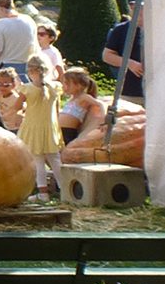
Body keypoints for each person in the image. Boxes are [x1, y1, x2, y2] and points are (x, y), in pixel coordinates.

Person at [13, 57, 65, 199]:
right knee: (55, 159)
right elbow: (57, 109)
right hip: (50, 127)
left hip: (32, 127)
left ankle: (43, 192)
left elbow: (16, 106)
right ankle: (65, 189)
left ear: (31, 71)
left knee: (38, 160)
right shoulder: (54, 87)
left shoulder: (27, 89)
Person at [103, 6, 146, 99]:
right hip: (131, 91)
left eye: (142, 7)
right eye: (133, 8)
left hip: (160, 91)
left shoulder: (162, 29)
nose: (139, 11)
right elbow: (107, 56)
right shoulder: (121, 30)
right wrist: (129, 63)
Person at [60, 66, 103, 143]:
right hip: (59, 131)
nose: (63, 86)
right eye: (63, 83)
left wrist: (103, 119)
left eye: (67, 83)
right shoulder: (71, 99)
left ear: (79, 85)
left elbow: (101, 104)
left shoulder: (83, 97)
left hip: (67, 133)